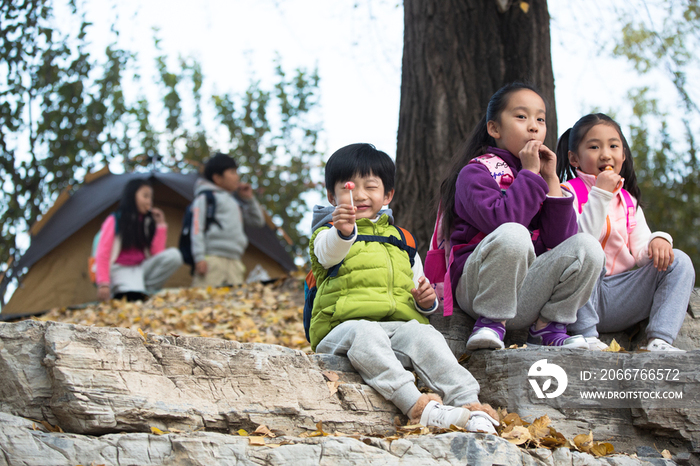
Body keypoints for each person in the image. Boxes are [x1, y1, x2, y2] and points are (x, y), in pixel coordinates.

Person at [309, 143, 500, 433]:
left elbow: (418, 284)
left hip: (395, 328)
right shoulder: (326, 234)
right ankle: (418, 406)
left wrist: (426, 303)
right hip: (342, 329)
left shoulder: (402, 239)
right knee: (367, 332)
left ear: (387, 195)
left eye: (370, 187)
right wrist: (342, 232)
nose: (359, 195)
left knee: (423, 333)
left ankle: (470, 405)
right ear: (331, 195)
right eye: (349, 188)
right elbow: (328, 255)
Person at [436, 82, 605, 351]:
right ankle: (490, 321)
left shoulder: (539, 177)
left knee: (588, 247)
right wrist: (528, 174)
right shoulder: (476, 173)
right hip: (478, 288)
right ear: (494, 129)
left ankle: (547, 327)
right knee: (514, 233)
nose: (534, 126)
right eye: (521, 116)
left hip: (524, 295)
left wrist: (550, 179)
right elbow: (502, 222)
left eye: (540, 118)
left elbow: (560, 243)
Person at [556, 113, 695, 352]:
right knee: (591, 253)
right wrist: (600, 194)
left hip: (619, 297)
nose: (605, 153)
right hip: (577, 300)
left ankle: (660, 340)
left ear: (623, 155)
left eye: (613, 145)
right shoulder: (566, 192)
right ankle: (586, 336)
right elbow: (579, 244)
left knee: (679, 261)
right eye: (594, 146)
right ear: (574, 158)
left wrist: (659, 239)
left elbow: (642, 252)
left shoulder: (628, 202)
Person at [95, 178, 182, 301]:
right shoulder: (115, 220)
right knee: (133, 298)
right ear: (131, 196)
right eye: (145, 196)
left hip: (141, 267)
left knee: (174, 255)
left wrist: (160, 225)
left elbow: (157, 253)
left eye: (150, 197)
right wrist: (103, 283)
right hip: (120, 268)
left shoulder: (147, 221)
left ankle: (145, 291)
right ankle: (136, 291)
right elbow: (103, 253)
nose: (149, 201)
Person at [191, 152, 265, 287]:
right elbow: (197, 228)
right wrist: (199, 257)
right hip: (212, 259)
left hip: (235, 261)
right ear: (218, 178)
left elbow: (258, 221)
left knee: (234, 303)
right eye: (232, 172)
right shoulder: (205, 197)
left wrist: (249, 199)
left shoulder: (234, 201)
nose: (237, 176)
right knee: (205, 300)